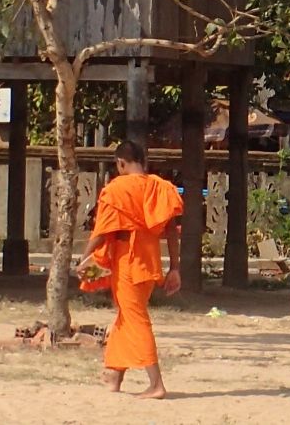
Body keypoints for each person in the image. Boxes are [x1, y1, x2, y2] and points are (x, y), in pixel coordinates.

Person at [82, 141, 183, 399]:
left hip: (127, 260)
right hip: (150, 260)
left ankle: (156, 383)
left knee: (135, 319)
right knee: (126, 316)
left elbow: (102, 232)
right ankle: (114, 376)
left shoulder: (116, 189)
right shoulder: (161, 188)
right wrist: (174, 267)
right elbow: (171, 231)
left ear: (121, 163)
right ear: (143, 160)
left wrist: (83, 259)